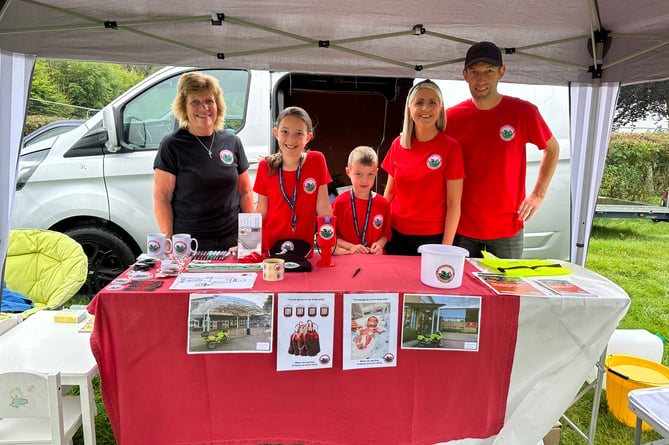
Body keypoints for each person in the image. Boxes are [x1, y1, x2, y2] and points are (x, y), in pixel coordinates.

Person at [445, 41, 560, 259]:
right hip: (462, 228)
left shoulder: (523, 112)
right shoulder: (452, 117)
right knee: (465, 291)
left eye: (488, 71)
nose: (481, 79)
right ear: (465, 75)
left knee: (507, 289)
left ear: (501, 72)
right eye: (474, 72)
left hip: (507, 227)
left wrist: (537, 195)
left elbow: (552, 149)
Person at [153, 72, 254, 251]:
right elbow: (162, 198)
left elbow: (245, 192)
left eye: (209, 100)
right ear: (184, 107)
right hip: (191, 245)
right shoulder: (172, 145)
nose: (204, 108)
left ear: (218, 105)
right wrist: (168, 242)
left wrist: (251, 241)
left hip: (233, 242)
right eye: (195, 102)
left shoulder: (232, 141)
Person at [381, 80, 465, 256]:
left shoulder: (451, 148)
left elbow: (453, 204)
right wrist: (378, 233)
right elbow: (388, 195)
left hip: (431, 238)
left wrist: (445, 248)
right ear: (409, 109)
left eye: (432, 102)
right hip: (395, 235)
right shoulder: (398, 144)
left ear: (440, 108)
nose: (425, 108)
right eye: (419, 102)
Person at [254, 106, 332, 255]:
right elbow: (261, 210)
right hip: (270, 249)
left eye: (299, 134)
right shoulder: (265, 166)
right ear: (276, 133)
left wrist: (330, 243)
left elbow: (323, 208)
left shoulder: (317, 160)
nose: (291, 139)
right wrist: (246, 241)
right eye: (285, 132)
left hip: (304, 250)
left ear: (308, 137)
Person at [332, 146, 392, 255]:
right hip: (349, 259)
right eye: (358, 174)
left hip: (376, 259)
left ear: (376, 172)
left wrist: (379, 244)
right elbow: (332, 237)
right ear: (348, 172)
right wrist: (351, 247)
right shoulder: (339, 203)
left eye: (370, 174)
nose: (364, 180)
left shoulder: (383, 203)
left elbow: (386, 234)